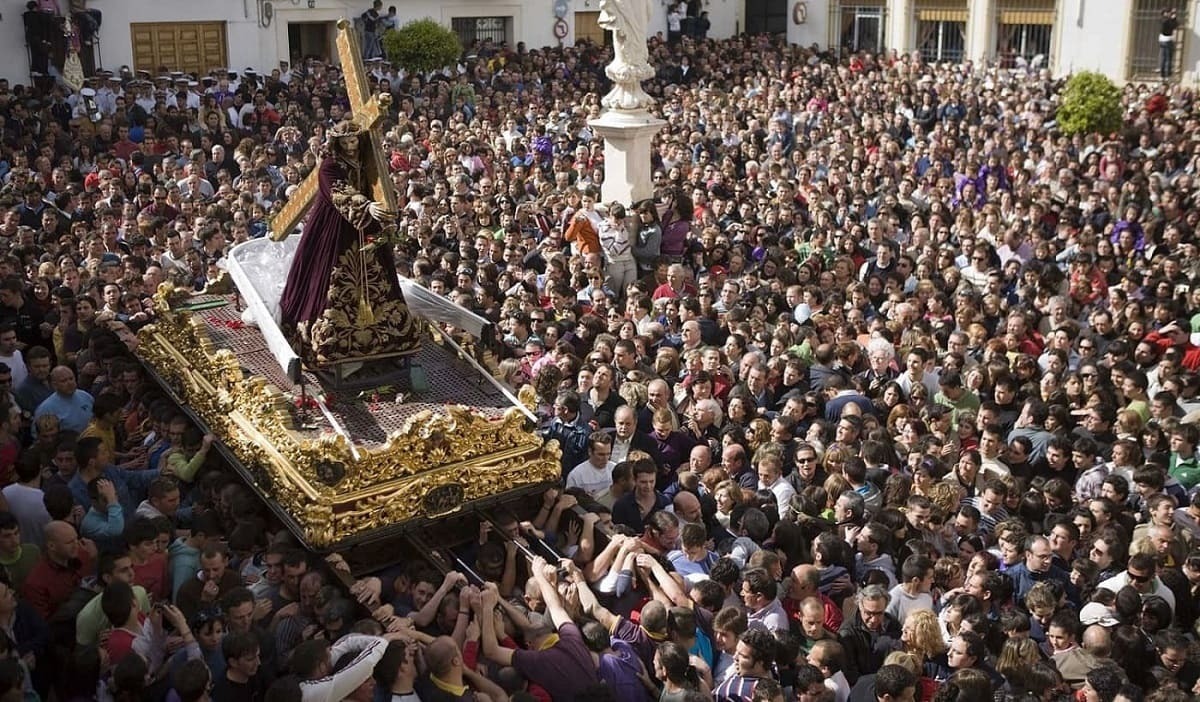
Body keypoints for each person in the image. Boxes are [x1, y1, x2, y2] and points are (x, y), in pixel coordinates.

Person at [277, 118, 418, 373]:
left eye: (354, 140)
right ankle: (331, 342)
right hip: (336, 225)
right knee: (330, 279)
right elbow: (338, 191)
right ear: (337, 143)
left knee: (380, 280)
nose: (351, 146)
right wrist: (366, 206)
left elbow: (377, 184)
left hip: (367, 227)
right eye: (346, 142)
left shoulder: (367, 161)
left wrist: (381, 204)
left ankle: (388, 339)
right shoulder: (329, 166)